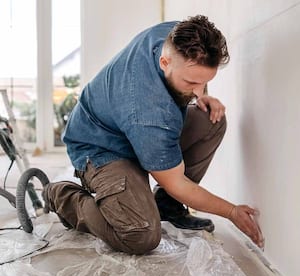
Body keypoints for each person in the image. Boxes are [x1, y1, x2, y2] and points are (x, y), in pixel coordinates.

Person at [42, 15, 264, 254]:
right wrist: (231, 211)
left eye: (204, 82)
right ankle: (62, 196)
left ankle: (167, 205)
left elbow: (194, 77)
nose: (198, 91)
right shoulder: (148, 112)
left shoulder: (177, 35)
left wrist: (201, 94)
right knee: (140, 235)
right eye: (191, 82)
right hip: (100, 146)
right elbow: (176, 182)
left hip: (130, 125)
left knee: (210, 120)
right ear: (164, 62)